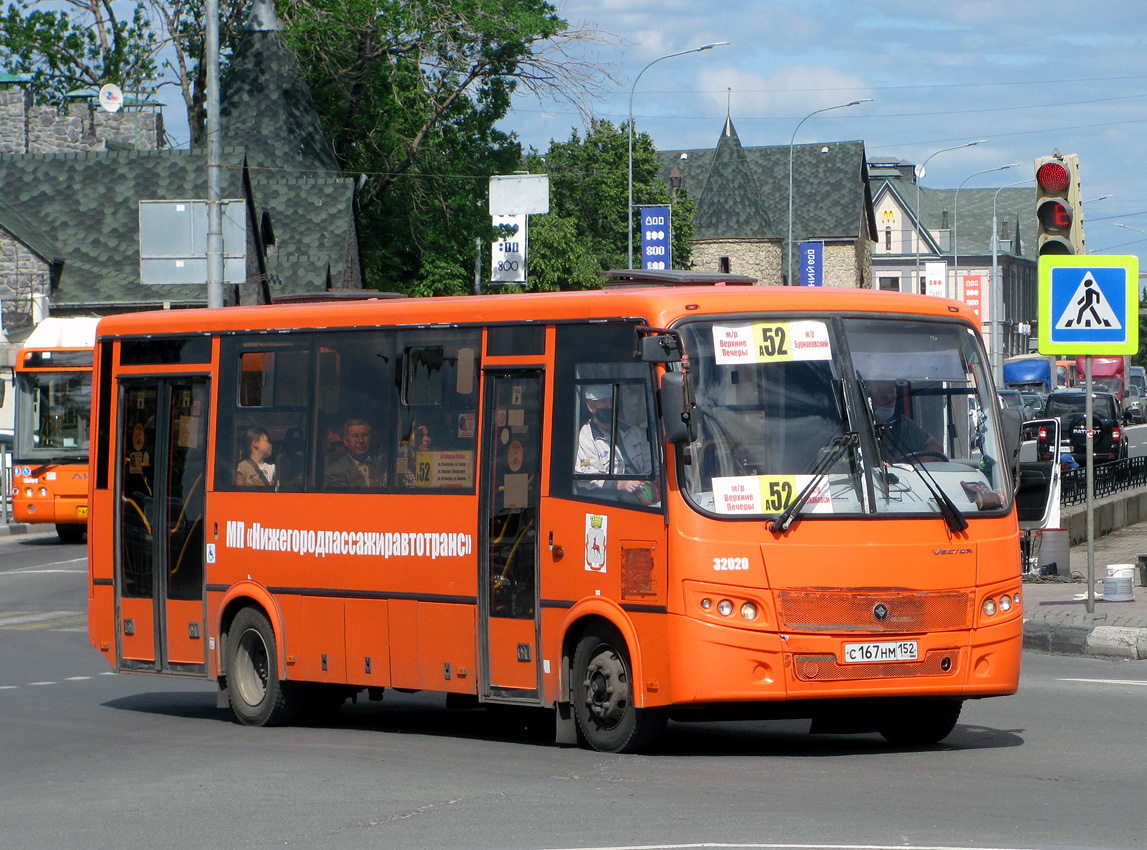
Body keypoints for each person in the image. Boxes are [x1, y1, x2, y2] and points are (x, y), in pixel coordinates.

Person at [575, 385, 651, 497]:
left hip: (643, 491)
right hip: (611, 498)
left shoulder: (633, 431)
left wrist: (654, 480)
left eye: (612, 400)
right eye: (604, 401)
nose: (610, 405)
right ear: (591, 406)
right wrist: (618, 484)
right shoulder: (586, 438)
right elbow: (586, 476)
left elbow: (652, 464)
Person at [867, 380, 944, 461]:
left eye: (892, 397)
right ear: (870, 398)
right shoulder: (860, 425)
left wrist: (912, 465)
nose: (889, 401)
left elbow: (936, 448)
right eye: (884, 397)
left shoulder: (904, 424)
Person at [323, 418, 387, 489]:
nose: (361, 440)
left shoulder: (382, 464)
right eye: (355, 436)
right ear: (345, 441)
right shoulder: (335, 470)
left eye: (365, 435)